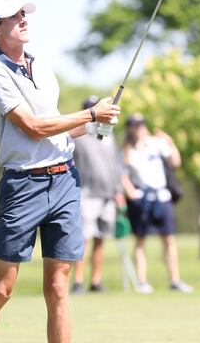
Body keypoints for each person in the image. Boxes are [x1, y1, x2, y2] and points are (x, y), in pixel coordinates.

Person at [0, 0, 120, 343]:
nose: (23, 18)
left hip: (64, 180)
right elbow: (33, 127)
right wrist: (90, 114)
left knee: (58, 287)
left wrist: (96, 125)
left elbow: (56, 126)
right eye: (13, 16)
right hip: (23, 187)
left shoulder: (43, 65)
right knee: (2, 289)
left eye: (23, 13)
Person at [120, 112, 193, 294]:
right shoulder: (128, 150)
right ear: (130, 128)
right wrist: (131, 192)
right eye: (135, 125)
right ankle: (142, 282)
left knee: (169, 240)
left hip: (162, 198)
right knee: (140, 241)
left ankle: (175, 280)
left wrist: (170, 141)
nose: (139, 129)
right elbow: (122, 173)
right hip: (142, 199)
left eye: (141, 125)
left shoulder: (156, 144)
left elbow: (175, 161)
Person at [71, 95, 125, 294]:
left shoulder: (109, 135)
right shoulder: (79, 136)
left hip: (108, 195)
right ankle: (77, 281)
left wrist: (118, 191)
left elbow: (116, 166)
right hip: (86, 193)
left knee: (101, 238)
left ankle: (96, 280)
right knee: (83, 238)